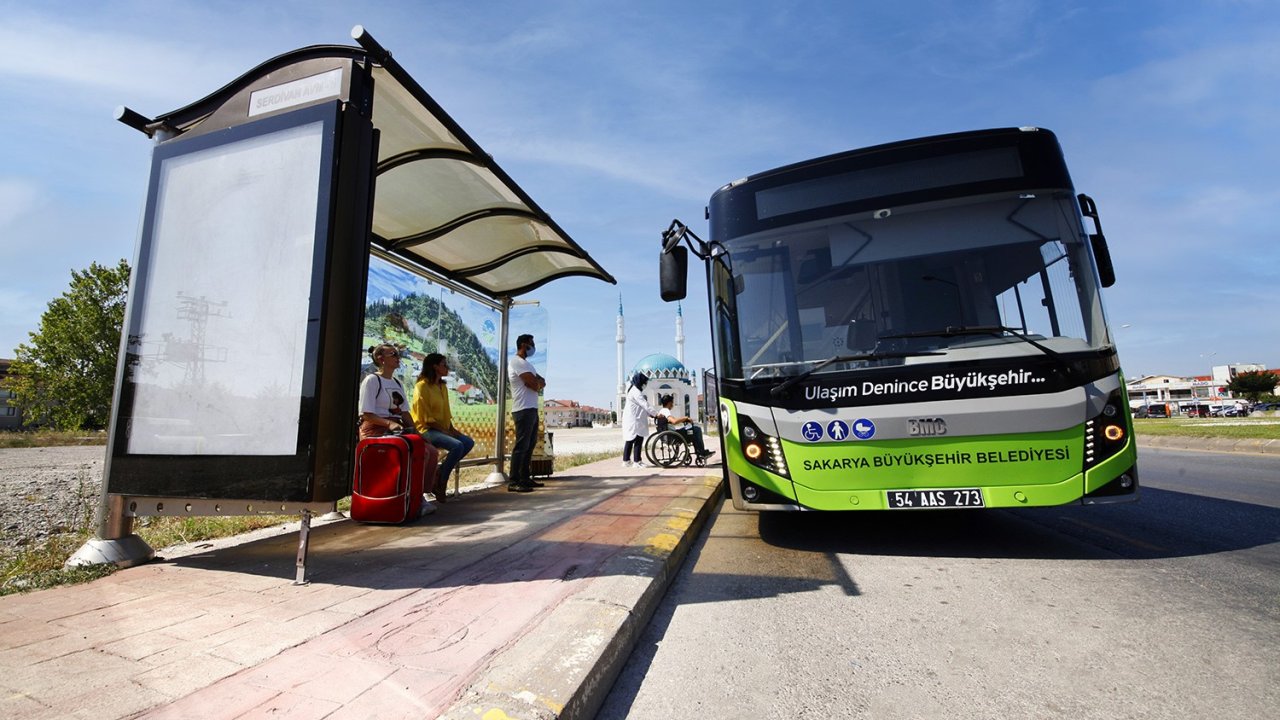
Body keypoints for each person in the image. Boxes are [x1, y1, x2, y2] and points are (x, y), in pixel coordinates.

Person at [358, 343, 438, 514]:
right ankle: (412, 498)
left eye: (397, 354)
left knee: (431, 451)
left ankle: (418, 495)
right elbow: (366, 414)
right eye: (393, 354)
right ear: (381, 359)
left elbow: (404, 413)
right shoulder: (372, 380)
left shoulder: (397, 382)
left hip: (395, 429)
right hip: (376, 429)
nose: (397, 357)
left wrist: (416, 431)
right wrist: (390, 424)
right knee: (419, 453)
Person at [411, 353, 475, 504]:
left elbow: (446, 412)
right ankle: (441, 482)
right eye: (444, 364)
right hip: (427, 430)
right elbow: (424, 417)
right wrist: (444, 431)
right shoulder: (422, 386)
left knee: (468, 442)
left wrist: (452, 430)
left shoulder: (443, 387)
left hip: (442, 429)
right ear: (435, 366)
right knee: (457, 445)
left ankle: (440, 473)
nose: (447, 367)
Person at [507, 333, 545, 492]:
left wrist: (537, 383)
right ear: (523, 344)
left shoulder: (527, 364)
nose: (533, 346)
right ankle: (514, 481)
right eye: (531, 343)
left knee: (530, 444)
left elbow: (541, 382)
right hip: (522, 409)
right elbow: (534, 384)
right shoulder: (516, 362)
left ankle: (525, 477)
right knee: (521, 445)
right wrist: (537, 383)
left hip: (532, 408)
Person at [657, 394, 714, 460]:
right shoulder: (666, 411)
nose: (673, 404)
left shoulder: (662, 411)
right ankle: (701, 452)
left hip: (669, 435)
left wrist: (683, 420)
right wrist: (685, 418)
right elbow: (674, 421)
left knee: (692, 430)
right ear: (669, 403)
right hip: (673, 436)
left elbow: (672, 420)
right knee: (696, 430)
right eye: (672, 403)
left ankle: (700, 452)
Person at [622, 372, 659, 467]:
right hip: (634, 420)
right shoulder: (636, 392)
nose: (644, 385)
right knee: (637, 439)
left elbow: (641, 407)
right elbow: (644, 404)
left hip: (634, 419)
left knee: (630, 439)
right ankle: (637, 461)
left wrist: (650, 414)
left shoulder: (634, 390)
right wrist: (656, 414)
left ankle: (626, 461)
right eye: (644, 382)